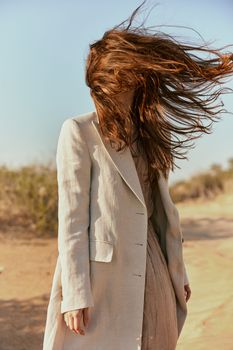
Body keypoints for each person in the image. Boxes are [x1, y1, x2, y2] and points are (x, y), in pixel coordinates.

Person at [43, 1, 233, 349]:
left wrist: (177, 270)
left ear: (137, 78)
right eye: (108, 85)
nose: (114, 93)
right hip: (103, 279)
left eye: (126, 81)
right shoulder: (79, 132)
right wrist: (74, 293)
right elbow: (71, 220)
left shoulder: (149, 136)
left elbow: (160, 213)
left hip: (155, 267)